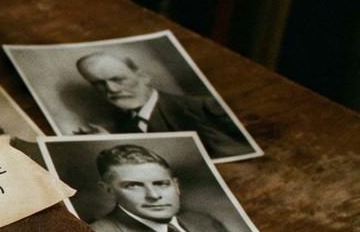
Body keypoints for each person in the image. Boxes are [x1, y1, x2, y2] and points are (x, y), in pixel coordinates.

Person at [89, 144, 270, 232]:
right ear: (107, 189)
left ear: (176, 185)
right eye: (133, 185)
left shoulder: (201, 221)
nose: (154, 195)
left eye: (161, 183)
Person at [74, 52, 254, 159]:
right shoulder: (122, 119)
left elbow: (246, 154)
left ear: (143, 76)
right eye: (98, 83)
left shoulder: (202, 107)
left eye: (118, 79)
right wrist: (110, 142)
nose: (111, 89)